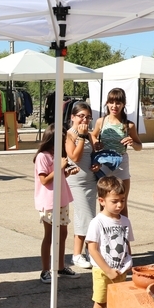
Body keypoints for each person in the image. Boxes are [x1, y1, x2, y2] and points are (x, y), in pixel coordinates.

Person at [86, 176, 134, 308]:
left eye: (122, 200)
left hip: (121, 271)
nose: (119, 204)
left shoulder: (125, 221)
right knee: (100, 302)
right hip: (102, 271)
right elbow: (92, 249)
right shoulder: (97, 222)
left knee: (116, 304)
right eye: (114, 201)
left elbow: (127, 244)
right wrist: (107, 270)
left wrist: (129, 264)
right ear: (101, 200)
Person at [34, 124, 78, 283]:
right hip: (49, 202)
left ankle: (60, 266)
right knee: (50, 235)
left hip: (61, 199)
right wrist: (59, 167)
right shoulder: (43, 156)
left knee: (63, 233)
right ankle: (45, 270)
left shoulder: (58, 155)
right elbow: (44, 180)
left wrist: (67, 172)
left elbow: (59, 177)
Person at [91, 87, 142, 216]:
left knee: (121, 201)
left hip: (121, 163)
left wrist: (132, 142)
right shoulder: (101, 121)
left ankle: (123, 234)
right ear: (107, 103)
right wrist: (96, 143)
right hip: (104, 163)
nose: (114, 106)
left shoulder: (129, 125)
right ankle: (104, 232)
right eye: (111, 102)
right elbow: (92, 135)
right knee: (104, 202)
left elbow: (139, 146)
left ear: (123, 104)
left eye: (118, 103)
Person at [65, 101, 97, 269]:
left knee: (89, 216)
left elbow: (93, 156)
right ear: (72, 117)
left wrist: (96, 165)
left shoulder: (90, 135)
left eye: (88, 117)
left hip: (91, 181)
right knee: (86, 217)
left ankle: (85, 252)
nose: (84, 120)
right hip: (76, 182)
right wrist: (82, 137)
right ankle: (78, 254)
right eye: (81, 116)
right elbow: (74, 157)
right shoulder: (70, 135)